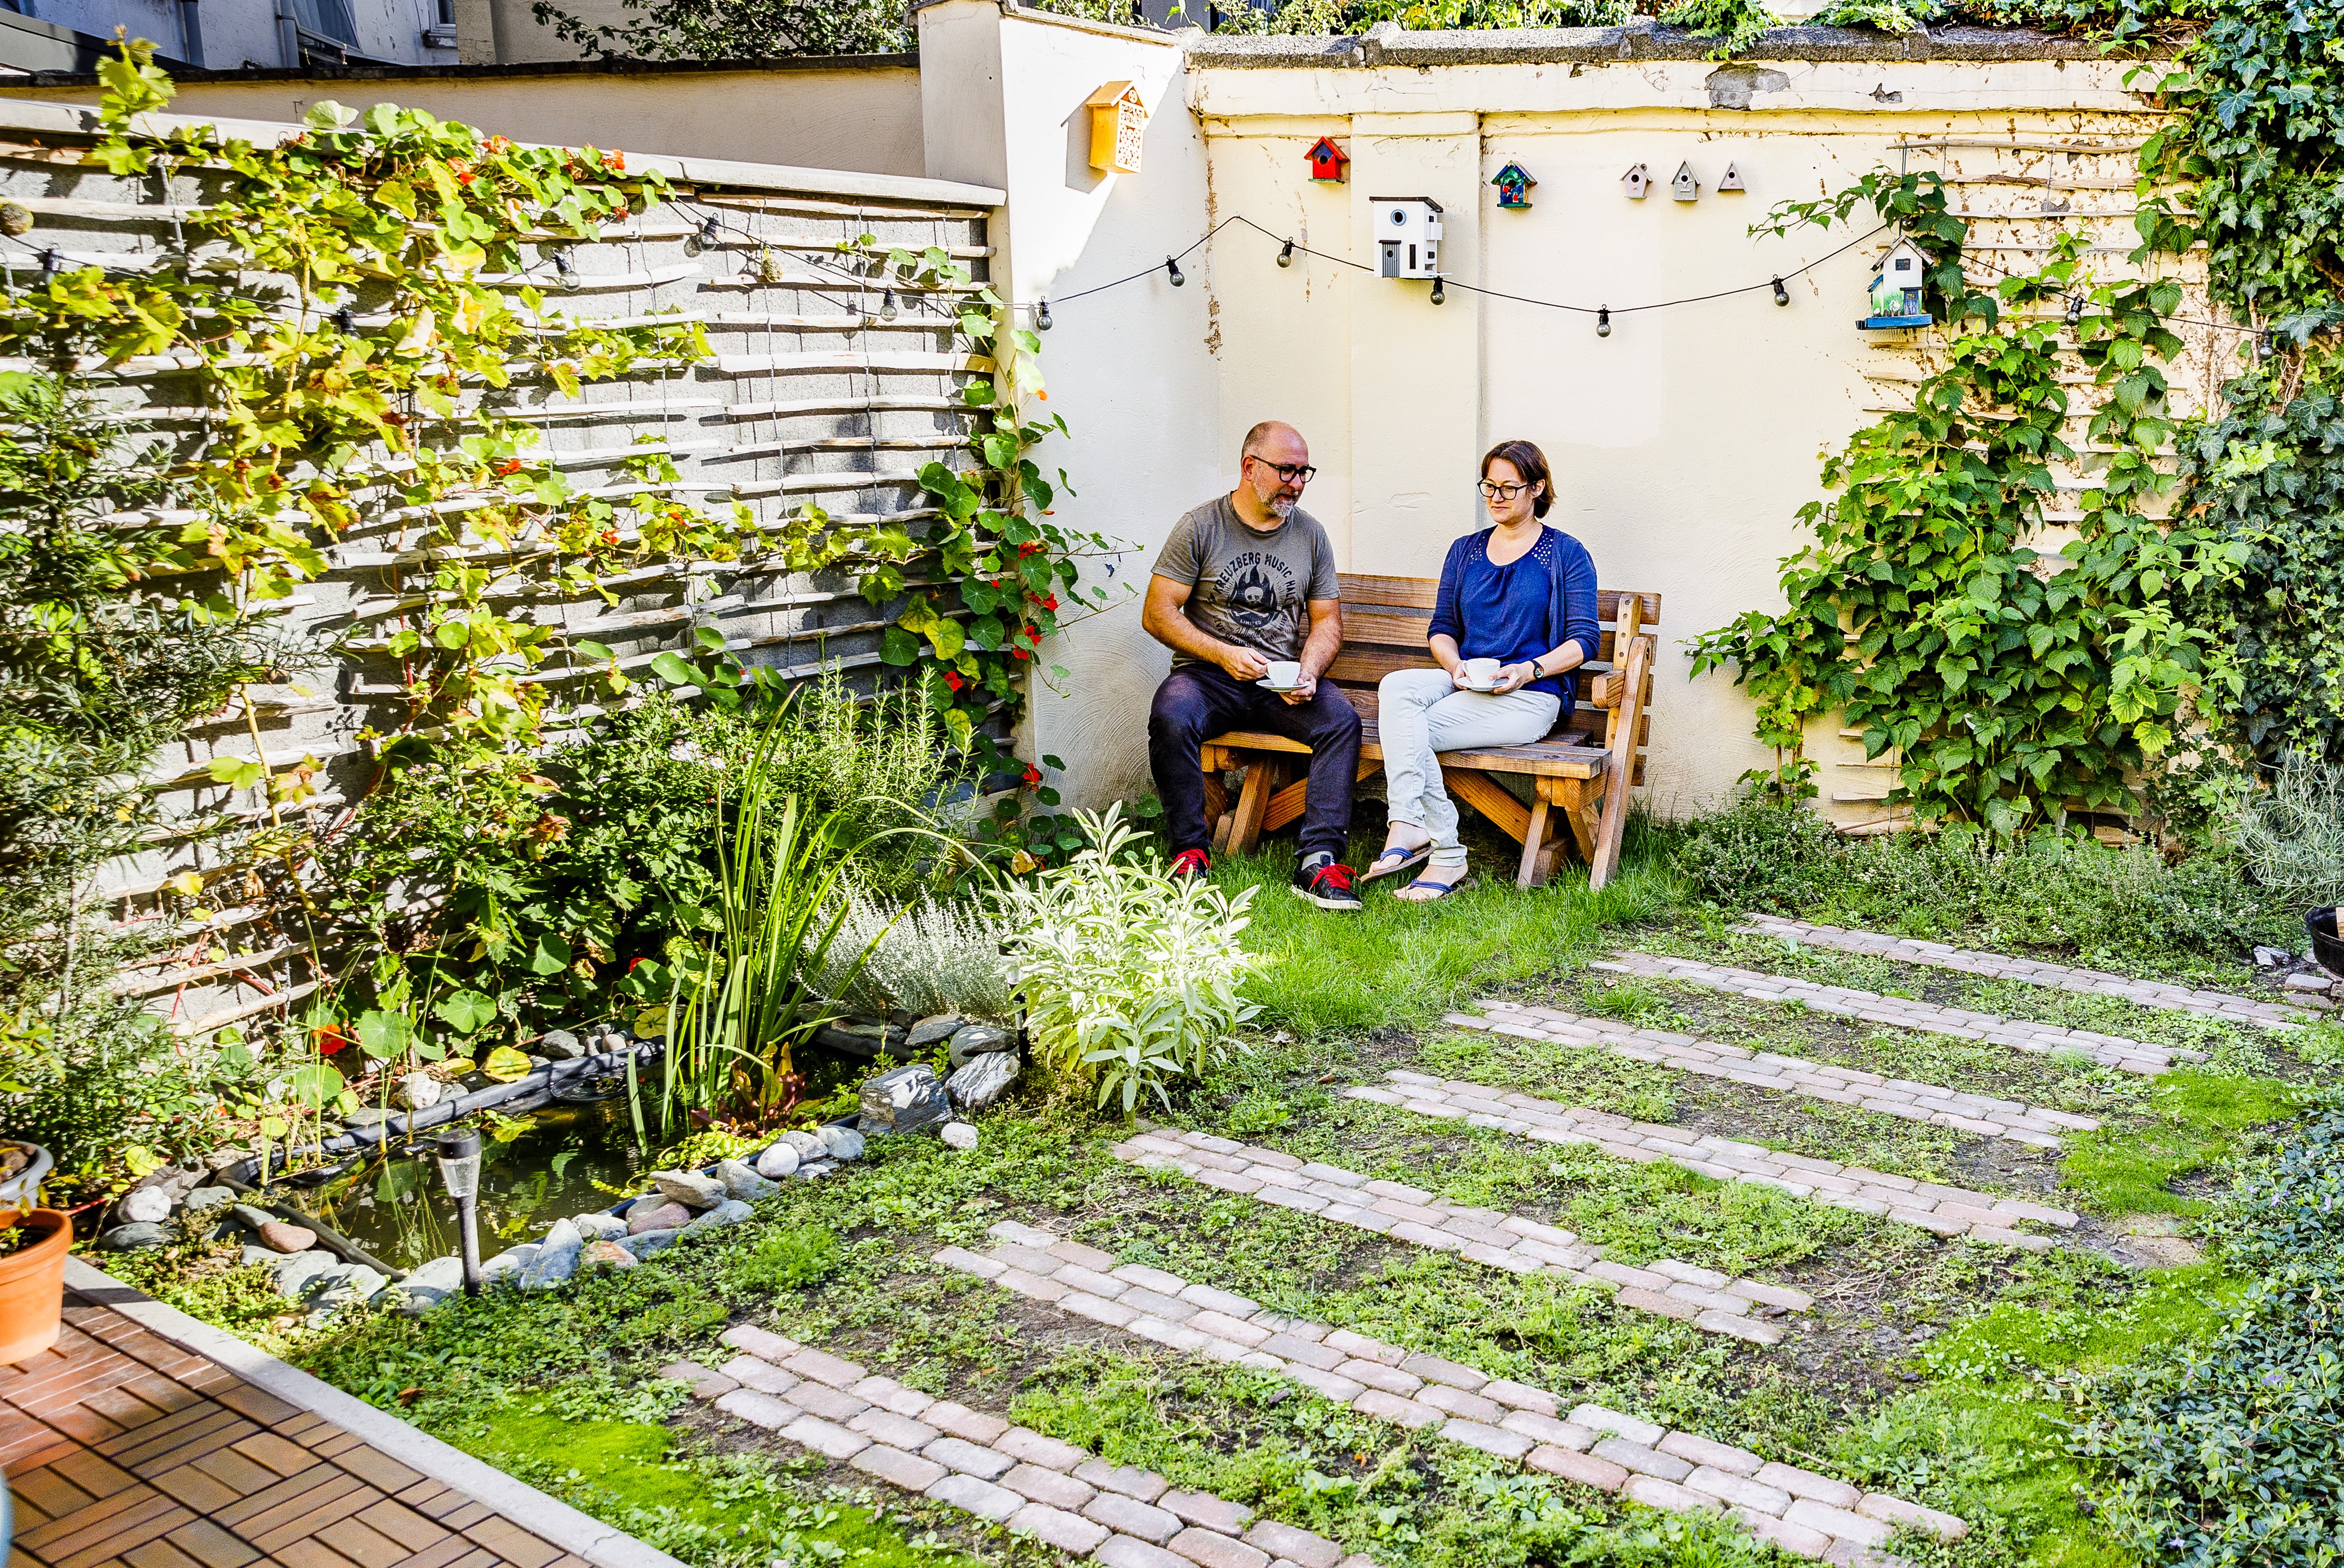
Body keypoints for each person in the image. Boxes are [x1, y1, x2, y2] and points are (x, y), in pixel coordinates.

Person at [1364, 439, 1599, 901]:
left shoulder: (1566, 554)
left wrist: (1528, 670)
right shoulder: (1465, 551)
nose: (1496, 496)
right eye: (1489, 486)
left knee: (1411, 730)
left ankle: (1443, 851)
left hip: (1531, 695)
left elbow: (1583, 640)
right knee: (1397, 687)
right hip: (1469, 682)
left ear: (1537, 488)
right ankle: (1412, 824)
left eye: (1509, 487)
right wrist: (1455, 666)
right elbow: (1442, 629)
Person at [1144, 420, 1364, 911]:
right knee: (1171, 715)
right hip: (1208, 676)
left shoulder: (1310, 534)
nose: (1297, 483)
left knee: (1341, 722)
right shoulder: (1201, 526)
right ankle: (1189, 854)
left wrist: (1308, 672)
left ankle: (1319, 860)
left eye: (1304, 472)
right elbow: (1157, 612)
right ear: (1250, 466)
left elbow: (1327, 621)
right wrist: (1223, 653)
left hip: (1278, 680)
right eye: (1287, 471)